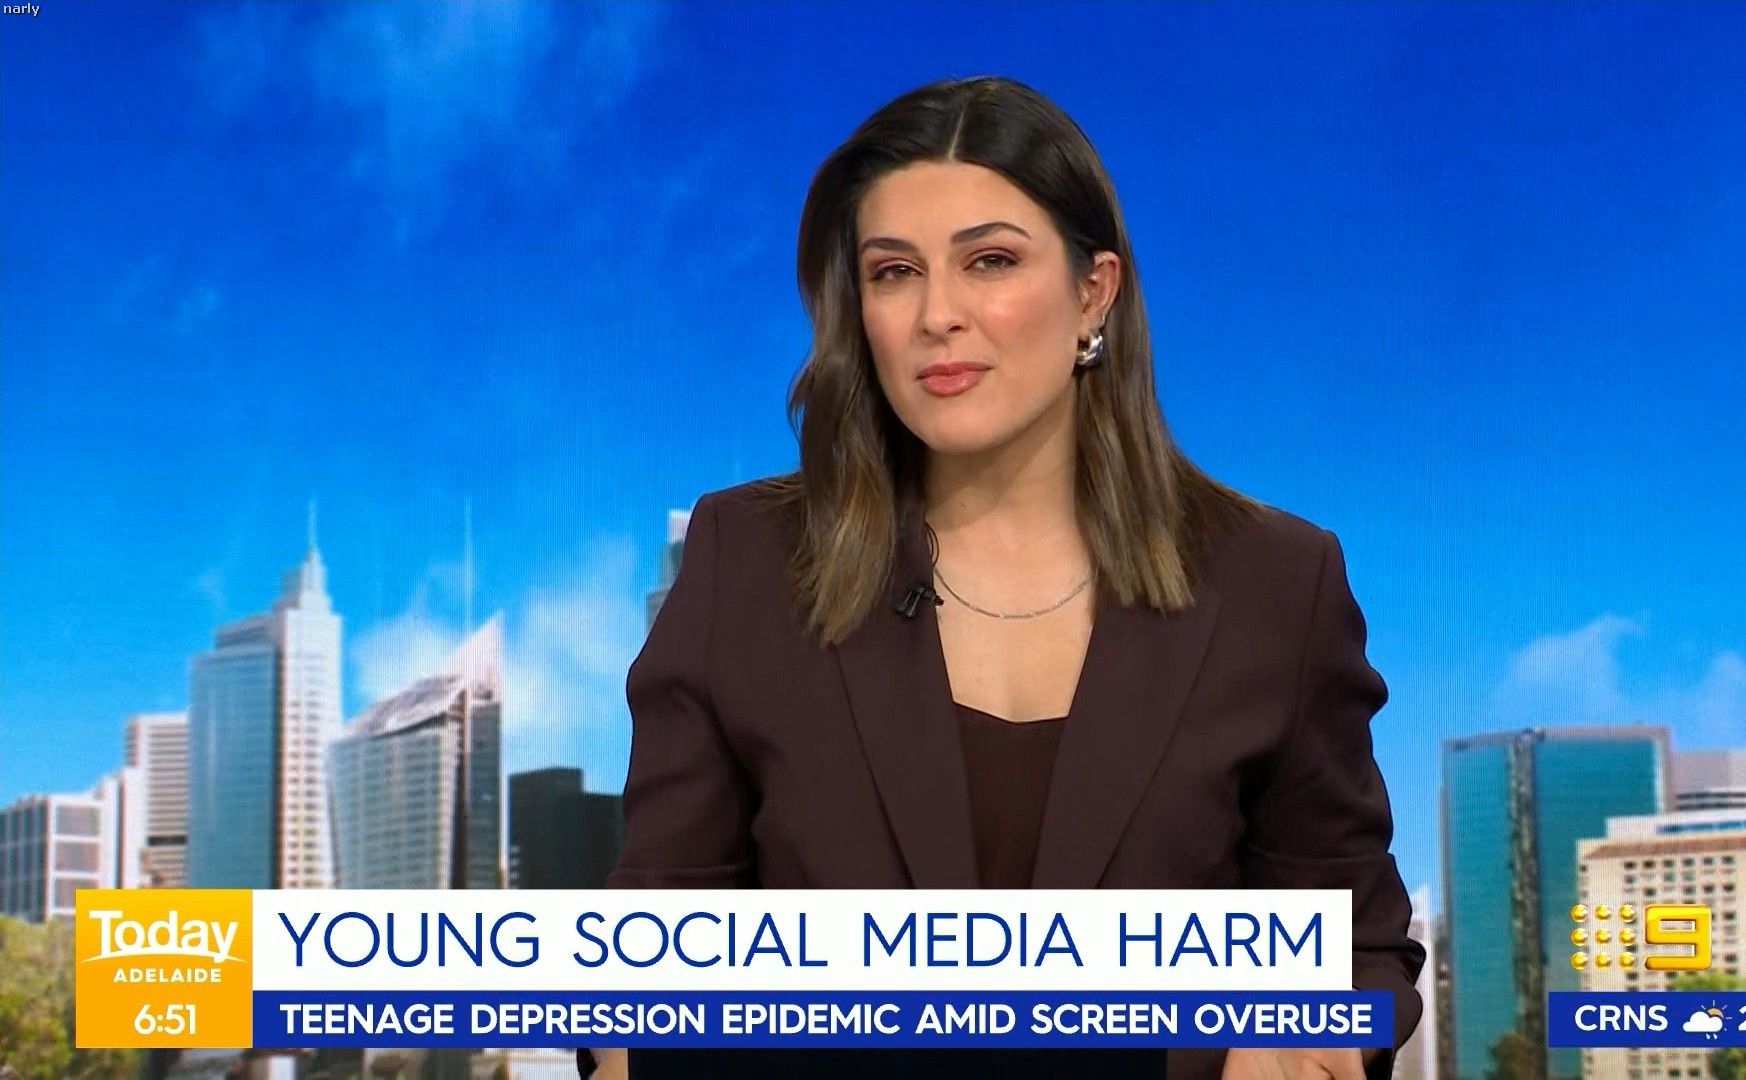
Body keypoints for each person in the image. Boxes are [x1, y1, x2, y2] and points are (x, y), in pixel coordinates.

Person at [581, 75, 1423, 1080]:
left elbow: (1354, 944)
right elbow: (651, 960)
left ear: (1093, 293)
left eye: (990, 261)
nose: (938, 314)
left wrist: (1302, 1037)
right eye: (894, 273)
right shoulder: (749, 561)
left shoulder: (1274, 584)